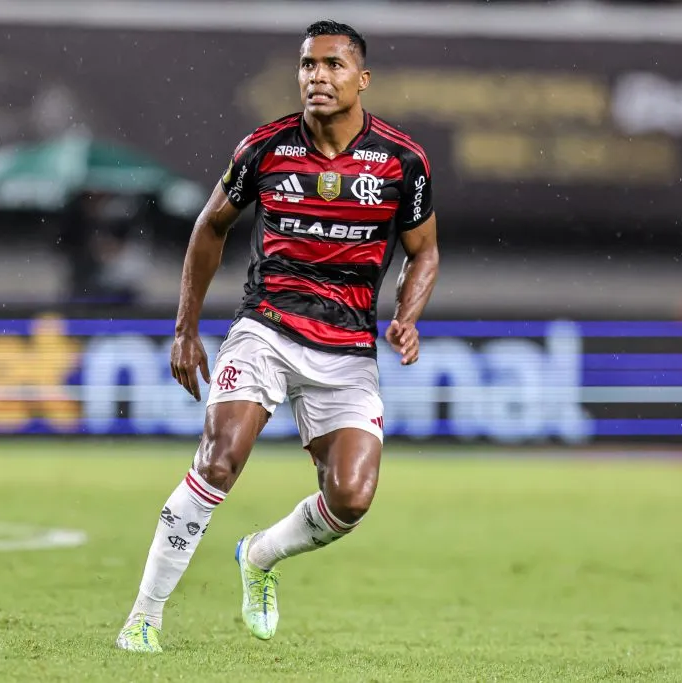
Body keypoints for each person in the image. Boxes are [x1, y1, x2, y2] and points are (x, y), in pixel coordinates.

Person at [115, 19, 440, 653]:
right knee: (220, 457)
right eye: (307, 65)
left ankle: (259, 556)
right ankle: (144, 617)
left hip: (347, 349)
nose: (317, 77)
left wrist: (408, 312)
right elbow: (210, 229)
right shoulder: (264, 148)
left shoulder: (403, 161)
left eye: (333, 66)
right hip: (265, 329)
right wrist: (185, 330)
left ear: (361, 79)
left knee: (350, 498)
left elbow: (423, 251)